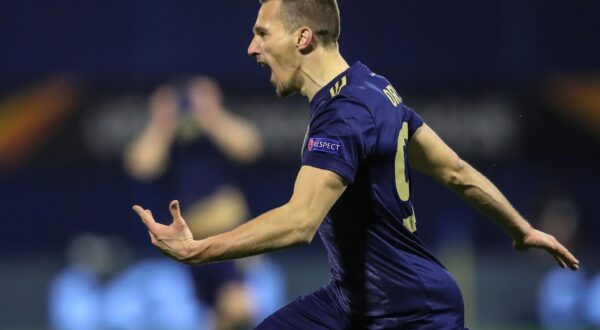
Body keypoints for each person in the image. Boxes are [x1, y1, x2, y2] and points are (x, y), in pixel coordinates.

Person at [132, 0, 580, 328]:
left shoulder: (344, 114)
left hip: (409, 312)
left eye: (262, 33)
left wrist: (197, 250)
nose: (251, 48)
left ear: (302, 37)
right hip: (352, 304)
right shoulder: (373, 88)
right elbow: (455, 171)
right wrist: (521, 229)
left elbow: (299, 222)